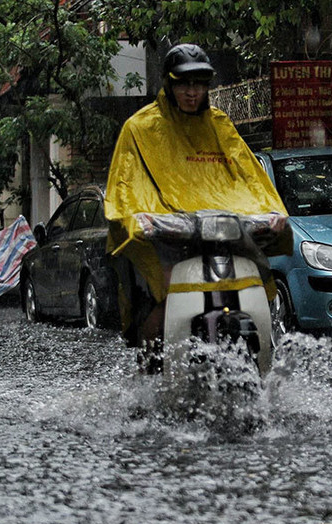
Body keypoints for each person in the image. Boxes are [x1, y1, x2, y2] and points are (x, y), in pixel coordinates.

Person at [104, 43, 291, 352]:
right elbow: (124, 187)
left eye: (199, 84)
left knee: (256, 281)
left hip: (223, 233)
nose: (192, 92)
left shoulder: (219, 124)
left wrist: (272, 211)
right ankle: (152, 368)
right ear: (169, 83)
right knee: (161, 294)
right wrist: (139, 218)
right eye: (184, 84)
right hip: (165, 236)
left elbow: (249, 176)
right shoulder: (139, 127)